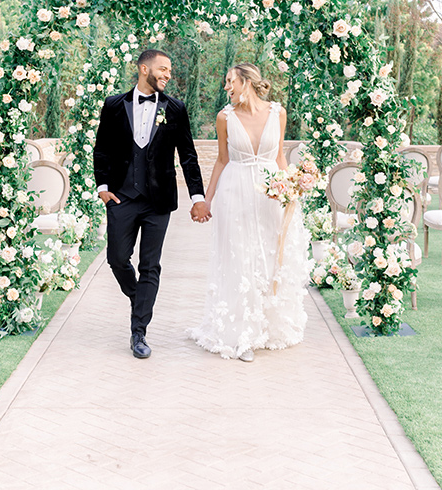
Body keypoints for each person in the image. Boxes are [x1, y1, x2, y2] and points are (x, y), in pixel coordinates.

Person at [187, 63, 310, 362]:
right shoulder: (224, 117)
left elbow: (280, 155)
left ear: (246, 81)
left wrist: (293, 189)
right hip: (235, 191)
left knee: (269, 256)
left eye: (230, 81)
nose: (226, 87)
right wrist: (207, 200)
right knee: (240, 258)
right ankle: (242, 335)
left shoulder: (277, 113)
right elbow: (221, 160)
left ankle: (268, 326)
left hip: (271, 193)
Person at [94, 49, 211, 359]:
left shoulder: (175, 108)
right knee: (117, 258)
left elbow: (188, 155)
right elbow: (102, 149)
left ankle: (139, 331)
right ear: (143, 68)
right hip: (122, 197)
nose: (167, 74)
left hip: (159, 201)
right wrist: (103, 187)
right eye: (162, 69)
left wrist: (197, 197)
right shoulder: (114, 105)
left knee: (150, 265)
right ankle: (140, 299)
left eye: (169, 71)